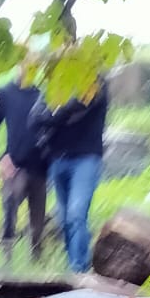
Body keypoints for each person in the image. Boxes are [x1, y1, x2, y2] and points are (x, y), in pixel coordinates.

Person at [41, 76, 107, 273]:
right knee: (63, 219)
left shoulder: (96, 81)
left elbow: (73, 106)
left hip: (86, 159)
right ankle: (74, 266)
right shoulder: (57, 80)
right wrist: (55, 114)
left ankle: (79, 268)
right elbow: (35, 117)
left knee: (76, 214)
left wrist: (54, 113)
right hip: (58, 159)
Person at [0, 61, 49, 261]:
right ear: (17, 65)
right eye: (24, 63)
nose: (27, 68)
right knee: (9, 208)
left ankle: (36, 263)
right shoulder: (5, 93)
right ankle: (6, 260)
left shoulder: (42, 94)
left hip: (40, 166)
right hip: (15, 166)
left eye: (32, 64)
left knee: (37, 223)